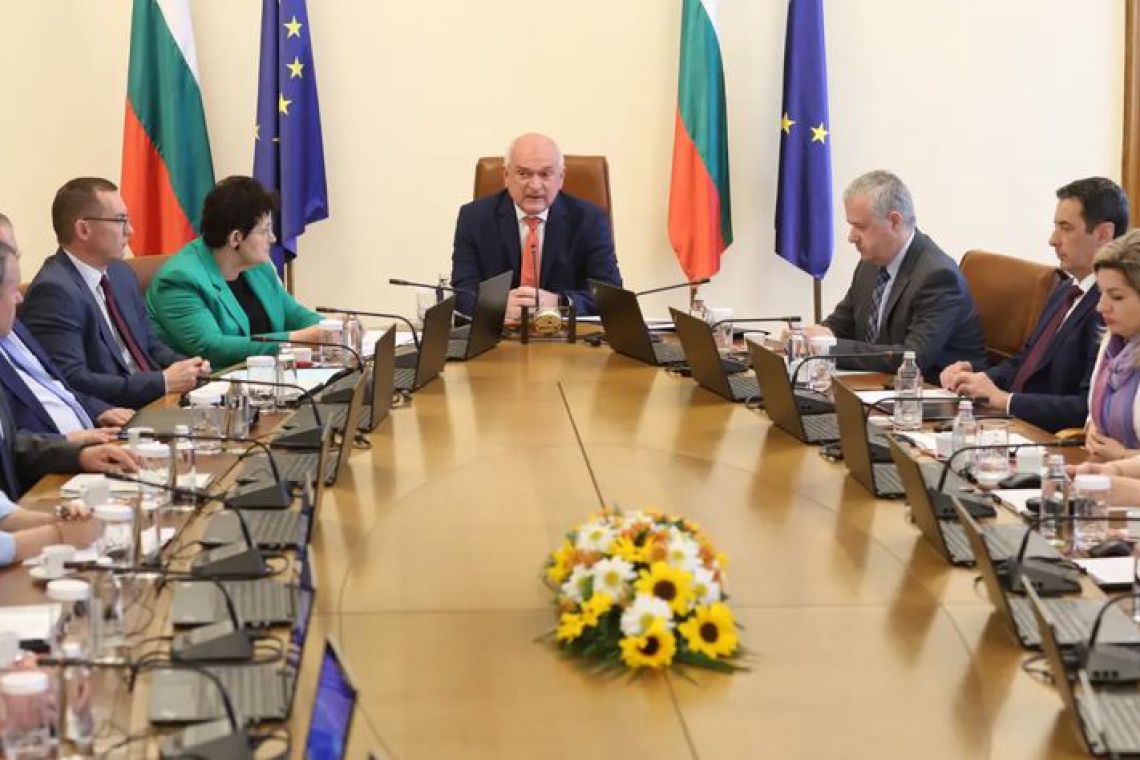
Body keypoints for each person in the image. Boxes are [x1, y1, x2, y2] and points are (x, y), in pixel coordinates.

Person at [940, 178, 1127, 432]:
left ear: (1103, 234)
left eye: (1066, 228)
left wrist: (1006, 401)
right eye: (1055, 227)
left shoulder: (1110, 309)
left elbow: (1086, 408)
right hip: (1008, 422)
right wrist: (976, 378)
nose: (1053, 239)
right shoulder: (1066, 289)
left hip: (1044, 435)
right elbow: (1026, 362)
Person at [21, 178, 208, 410]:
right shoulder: (54, 292)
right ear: (83, 229)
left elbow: (150, 344)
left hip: (157, 400)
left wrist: (189, 367)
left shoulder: (120, 273)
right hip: (113, 413)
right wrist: (162, 382)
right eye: (120, 220)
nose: (130, 230)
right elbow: (71, 380)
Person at [802, 170, 986, 381]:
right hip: (880, 386)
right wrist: (810, 337)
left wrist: (828, 346)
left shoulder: (939, 277)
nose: (851, 237)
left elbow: (912, 358)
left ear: (894, 221)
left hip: (935, 391)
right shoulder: (870, 263)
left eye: (860, 226)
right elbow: (842, 323)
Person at [145, 176, 322, 368]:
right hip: (210, 382)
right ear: (236, 238)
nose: (272, 238)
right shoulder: (179, 280)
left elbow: (293, 314)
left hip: (263, 378)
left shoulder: (258, 266)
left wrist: (330, 328)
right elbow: (212, 348)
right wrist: (294, 340)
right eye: (265, 230)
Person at [450, 133, 622, 321]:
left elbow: (611, 295)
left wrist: (561, 302)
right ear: (506, 175)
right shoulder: (474, 218)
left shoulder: (590, 220)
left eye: (545, 174)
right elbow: (462, 292)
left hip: (567, 334)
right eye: (523, 174)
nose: (535, 185)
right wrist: (494, 305)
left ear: (561, 177)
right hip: (498, 333)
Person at [0, 216, 132, 442]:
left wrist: (97, 410)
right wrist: (69, 446)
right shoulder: (53, 289)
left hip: (93, 436)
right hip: (55, 457)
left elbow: (56, 384)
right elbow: (12, 441)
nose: (19, 297)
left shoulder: (13, 326)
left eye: (10, 251)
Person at [1084, 228, 1140, 461]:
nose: (1101, 307)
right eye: (1101, 293)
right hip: (1103, 472)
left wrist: (1124, 456)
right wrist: (1091, 430)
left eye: (1116, 297)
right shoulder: (1113, 339)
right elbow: (1094, 414)